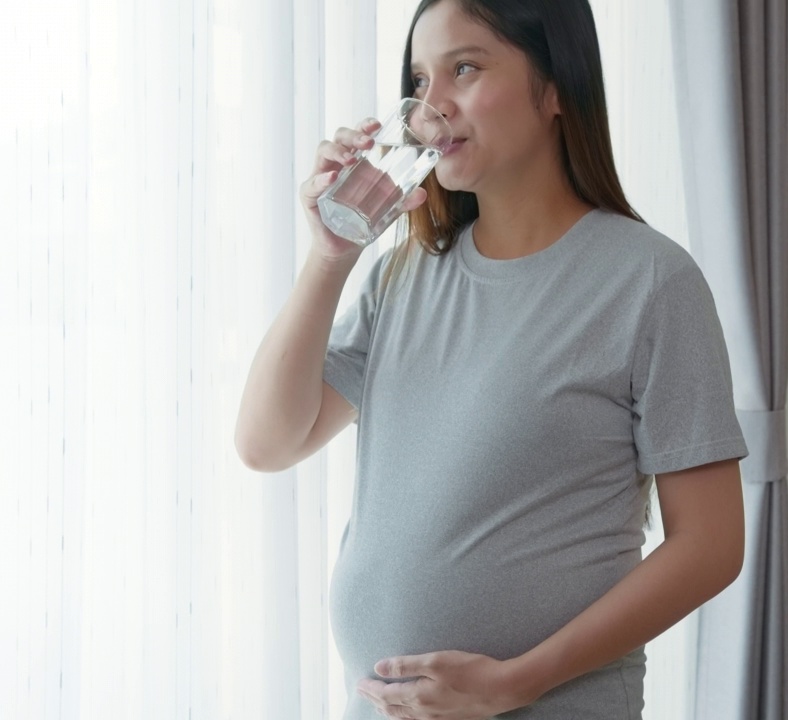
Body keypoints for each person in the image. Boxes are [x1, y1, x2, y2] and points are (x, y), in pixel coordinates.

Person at [234, 0, 747, 717]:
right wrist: (329, 257)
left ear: (557, 87)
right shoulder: (400, 277)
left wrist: (518, 681)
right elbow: (268, 442)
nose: (430, 109)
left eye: (465, 68)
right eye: (419, 79)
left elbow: (712, 545)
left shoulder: (650, 282)